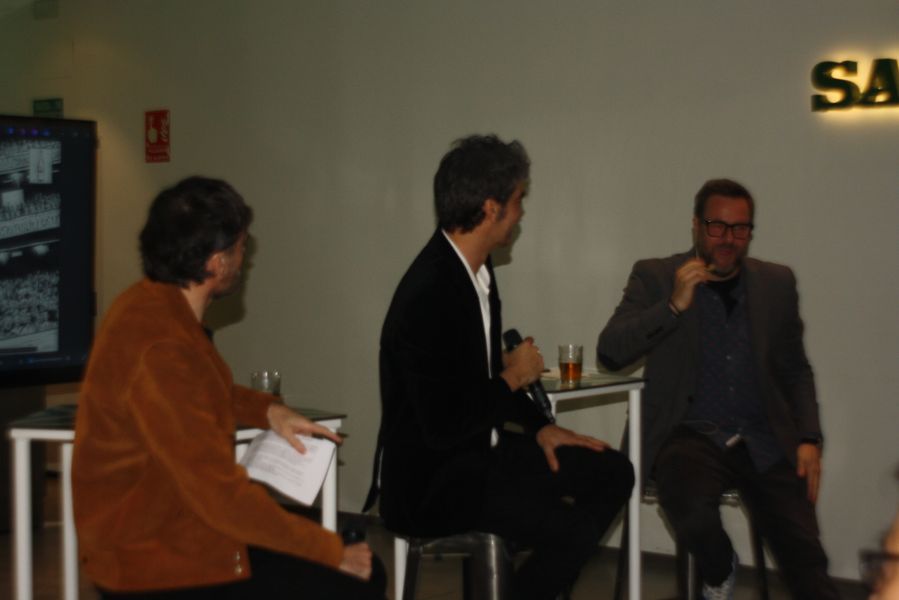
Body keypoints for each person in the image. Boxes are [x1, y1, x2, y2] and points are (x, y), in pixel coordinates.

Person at [72, 176, 385, 599]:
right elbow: (219, 496)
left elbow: (196, 391)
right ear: (217, 263)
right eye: (241, 247)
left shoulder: (147, 305)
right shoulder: (163, 348)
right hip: (157, 564)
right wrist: (331, 553)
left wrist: (267, 410)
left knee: (344, 562)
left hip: (171, 532)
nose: (245, 258)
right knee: (357, 576)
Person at [364, 135, 634, 600]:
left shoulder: (478, 272)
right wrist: (513, 377)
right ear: (491, 208)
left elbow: (482, 381)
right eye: (518, 200)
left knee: (612, 471)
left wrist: (540, 428)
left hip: (477, 454)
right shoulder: (429, 293)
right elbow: (444, 425)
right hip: (432, 481)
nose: (521, 212)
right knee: (568, 528)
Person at [597, 178, 839, 600]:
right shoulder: (656, 275)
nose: (728, 239)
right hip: (689, 433)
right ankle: (720, 566)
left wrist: (809, 437)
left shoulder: (776, 283)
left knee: (805, 557)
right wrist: (673, 306)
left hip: (764, 436)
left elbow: (796, 369)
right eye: (717, 226)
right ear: (695, 225)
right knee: (689, 508)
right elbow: (610, 352)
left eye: (740, 228)